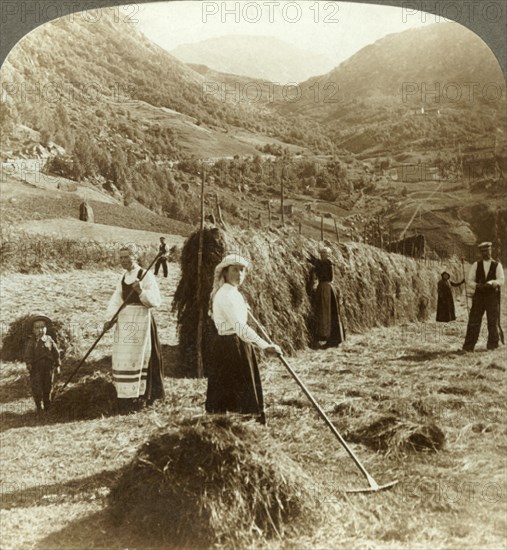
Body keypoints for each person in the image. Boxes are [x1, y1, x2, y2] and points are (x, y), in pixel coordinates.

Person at [205, 253, 281, 425]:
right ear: (225, 272)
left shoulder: (233, 292)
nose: (239, 274)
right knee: (236, 388)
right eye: (235, 270)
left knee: (237, 387)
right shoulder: (225, 295)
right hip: (230, 346)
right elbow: (239, 327)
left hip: (236, 343)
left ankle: (235, 423)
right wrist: (265, 346)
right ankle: (236, 425)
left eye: (242, 270)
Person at [104, 244, 165, 413]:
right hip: (125, 321)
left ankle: (144, 395)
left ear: (135, 257)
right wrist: (109, 319)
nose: (123, 260)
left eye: (127, 257)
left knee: (142, 355)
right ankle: (125, 396)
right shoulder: (123, 277)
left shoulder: (146, 275)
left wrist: (141, 291)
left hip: (142, 320)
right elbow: (116, 299)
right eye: (121, 257)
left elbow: (156, 301)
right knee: (125, 354)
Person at [462, 242, 504, 352]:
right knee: (474, 321)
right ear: (481, 252)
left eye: (487, 250)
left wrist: (492, 283)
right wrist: (477, 285)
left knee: (492, 321)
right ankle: (468, 347)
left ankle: (493, 346)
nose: (485, 253)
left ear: (491, 250)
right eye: (483, 251)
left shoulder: (497, 265)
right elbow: (470, 280)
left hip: (492, 297)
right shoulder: (476, 265)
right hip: (479, 296)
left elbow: (501, 280)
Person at [308, 245, 345, 349]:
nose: (322, 255)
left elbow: (317, 263)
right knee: (328, 312)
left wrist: (309, 258)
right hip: (326, 288)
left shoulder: (327, 262)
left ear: (328, 254)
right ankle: (329, 337)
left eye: (323, 254)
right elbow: (317, 263)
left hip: (326, 289)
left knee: (326, 312)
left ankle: (327, 336)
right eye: (321, 254)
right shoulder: (326, 262)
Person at [24, 315, 61, 412]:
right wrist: (29, 363)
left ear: (46, 328)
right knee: (37, 386)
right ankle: (39, 406)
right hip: (36, 368)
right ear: (33, 330)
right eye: (37, 328)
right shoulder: (32, 342)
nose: (40, 330)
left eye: (42, 327)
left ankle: (47, 405)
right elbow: (28, 354)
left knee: (48, 385)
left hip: (48, 368)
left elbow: (55, 353)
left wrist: (57, 365)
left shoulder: (49, 339)